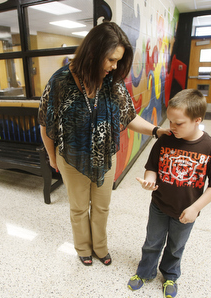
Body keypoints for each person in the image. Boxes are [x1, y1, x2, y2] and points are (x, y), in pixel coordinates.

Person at [38, 21, 170, 267]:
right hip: (72, 157)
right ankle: (82, 248)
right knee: (78, 208)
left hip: (104, 157)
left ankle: (100, 247)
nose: (114, 66)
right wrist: (51, 157)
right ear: (93, 53)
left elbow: (129, 115)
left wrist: (156, 130)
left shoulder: (112, 81)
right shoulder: (60, 81)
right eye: (111, 59)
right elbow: (46, 124)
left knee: (102, 207)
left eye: (119, 61)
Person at [127, 89, 211, 298]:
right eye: (170, 121)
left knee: (176, 247)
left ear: (197, 120)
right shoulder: (165, 140)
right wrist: (150, 180)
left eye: (179, 123)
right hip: (159, 205)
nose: (172, 127)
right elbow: (152, 167)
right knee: (152, 242)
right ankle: (145, 272)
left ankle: (170, 275)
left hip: (186, 211)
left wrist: (195, 208)